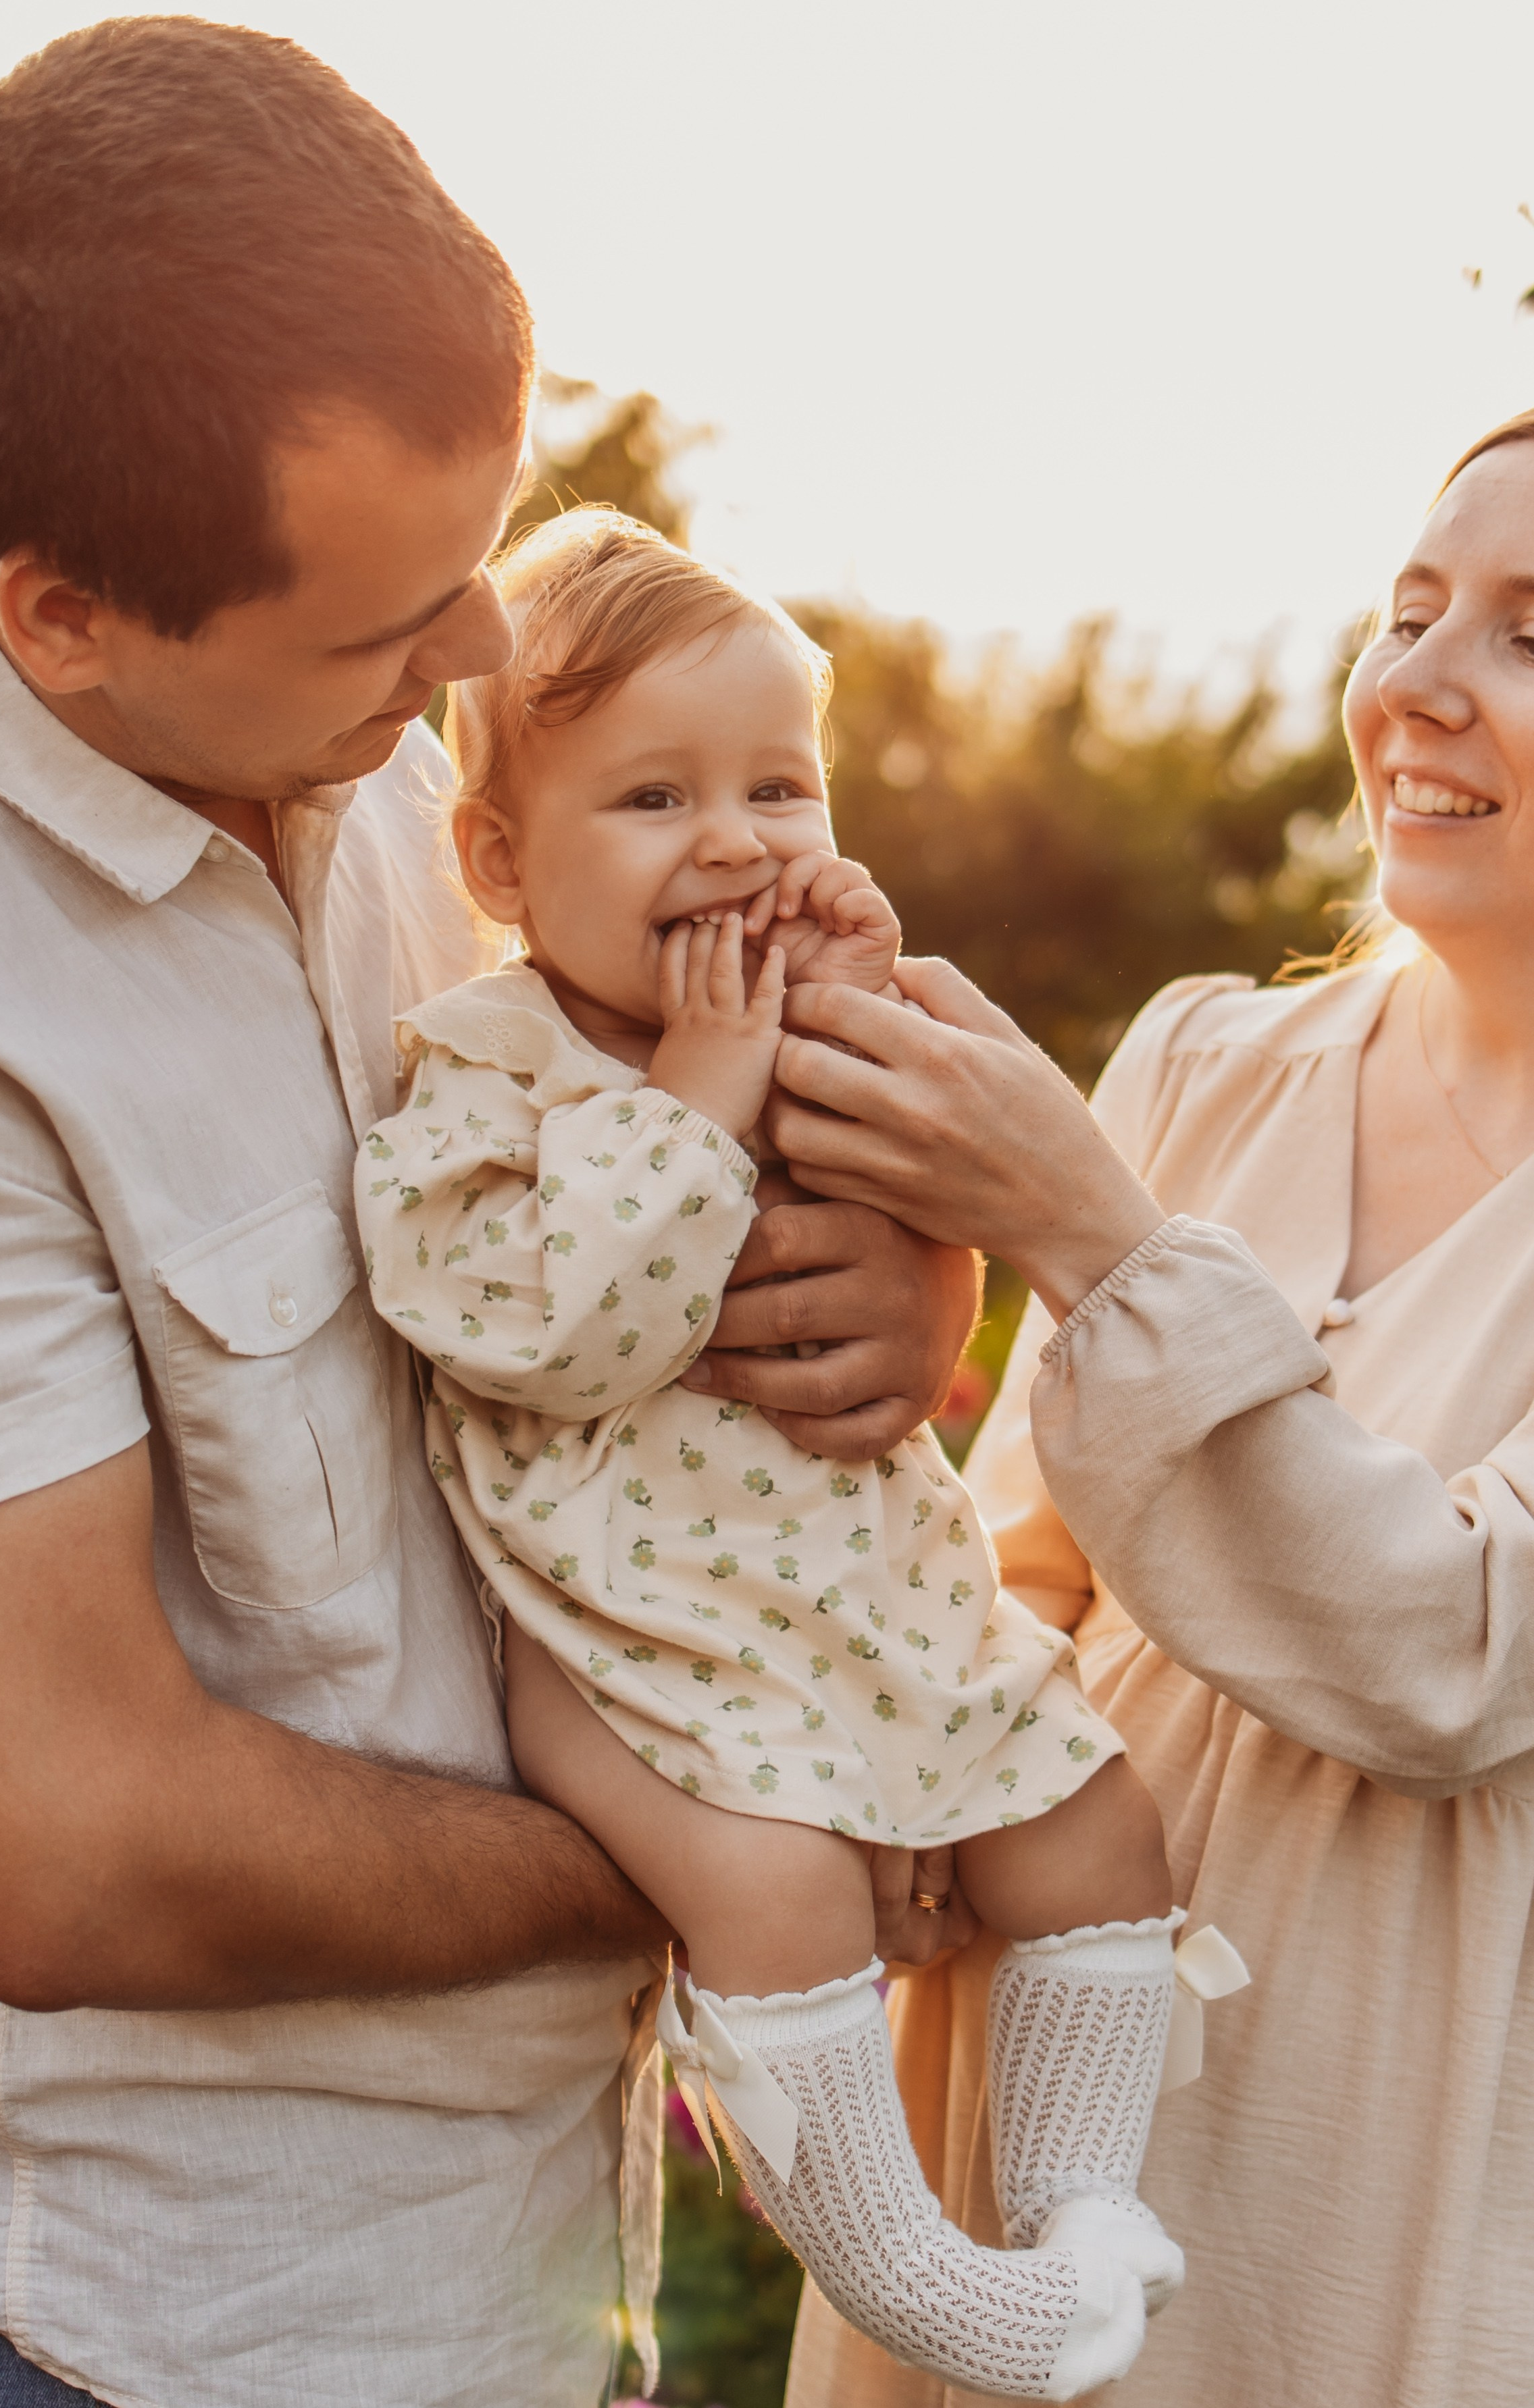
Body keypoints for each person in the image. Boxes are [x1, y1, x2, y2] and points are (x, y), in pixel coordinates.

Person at [0, 25, 975, 2408]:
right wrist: (750, 1831)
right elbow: (66, 1844)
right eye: (391, 626)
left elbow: (625, 1195)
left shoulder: (383, 735)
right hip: (124, 2342)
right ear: (64, 619)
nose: (480, 657)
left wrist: (900, 1281)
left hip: (528, 2289)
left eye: (472, 564)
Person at [358, 510, 1192, 2401]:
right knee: (783, 1893)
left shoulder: (800, 1027)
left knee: (1097, 1824)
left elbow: (942, 1214)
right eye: (655, 797)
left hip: (863, 1594)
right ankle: (912, 2276)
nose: (736, 842)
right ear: (498, 860)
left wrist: (865, 998)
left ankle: (1081, 2202)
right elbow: (557, 1334)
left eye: (780, 790)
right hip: (618, 1630)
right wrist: (700, 1096)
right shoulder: (482, 1073)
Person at [764, 409, 1534, 2408]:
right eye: (1411, 612)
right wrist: (923, 1787)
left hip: (1382, 2162)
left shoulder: (1115, 1171)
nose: (1422, 686)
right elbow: (1018, 1563)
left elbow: (1456, 1656)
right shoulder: (1209, 1063)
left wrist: (1086, 1230)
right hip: (1040, 2081)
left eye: (1533, 635)